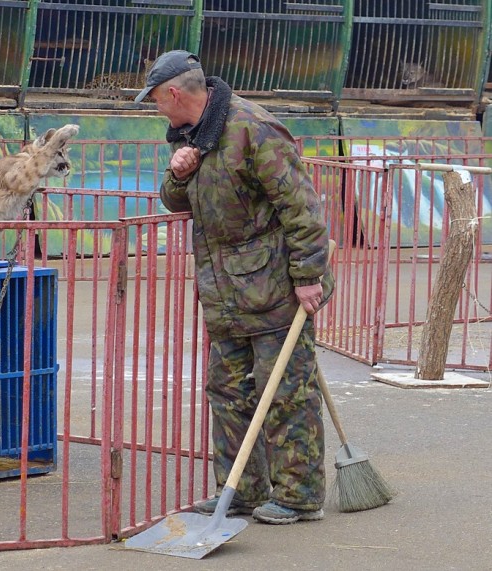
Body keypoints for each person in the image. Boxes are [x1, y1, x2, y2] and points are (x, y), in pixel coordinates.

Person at [135, 50, 334, 525]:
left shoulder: (253, 129)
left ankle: (299, 495)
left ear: (175, 93)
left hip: (273, 287)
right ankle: (242, 489)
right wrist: (177, 174)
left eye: (157, 100)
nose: (156, 108)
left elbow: (302, 207)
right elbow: (175, 202)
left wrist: (308, 277)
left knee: (286, 390)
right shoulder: (191, 136)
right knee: (226, 390)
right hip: (224, 291)